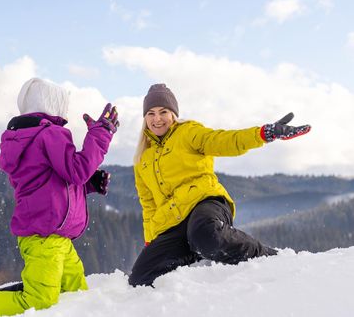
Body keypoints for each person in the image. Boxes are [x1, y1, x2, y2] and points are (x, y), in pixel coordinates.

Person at [0, 78, 119, 317]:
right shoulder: (49, 135)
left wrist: (88, 184)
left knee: (76, 295)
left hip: (55, 237)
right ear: (52, 104)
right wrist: (101, 134)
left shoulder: (28, 138)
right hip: (44, 237)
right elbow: (76, 170)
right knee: (42, 301)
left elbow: (49, 182)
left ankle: (19, 291)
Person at [128, 83, 311, 287]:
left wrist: (263, 133)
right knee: (140, 278)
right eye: (151, 113)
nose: (157, 119)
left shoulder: (188, 132)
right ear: (145, 118)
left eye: (163, 112)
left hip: (205, 203)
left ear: (173, 114)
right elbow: (148, 204)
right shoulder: (142, 158)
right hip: (173, 220)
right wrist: (151, 243)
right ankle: (191, 259)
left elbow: (223, 140)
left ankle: (268, 256)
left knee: (205, 234)